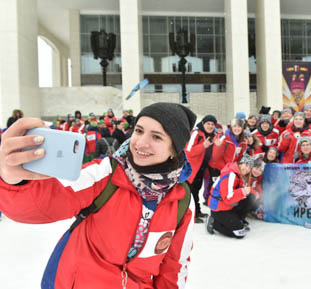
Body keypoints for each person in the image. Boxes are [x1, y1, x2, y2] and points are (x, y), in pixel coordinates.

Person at [0, 102, 197, 288]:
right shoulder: (105, 173)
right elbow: (45, 203)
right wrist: (14, 181)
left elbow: (174, 267)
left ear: (174, 150)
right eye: (138, 131)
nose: (140, 143)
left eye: (156, 137)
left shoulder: (182, 200)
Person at [206, 154, 259, 238]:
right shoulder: (231, 175)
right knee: (240, 233)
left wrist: (253, 193)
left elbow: (242, 188)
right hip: (219, 208)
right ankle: (214, 222)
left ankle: (237, 220)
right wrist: (243, 192)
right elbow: (228, 197)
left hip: (227, 206)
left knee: (250, 198)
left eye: (249, 168)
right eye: (246, 165)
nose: (246, 169)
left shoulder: (238, 174)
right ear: (241, 163)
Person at [185, 115, 222, 223]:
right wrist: (203, 146)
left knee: (196, 191)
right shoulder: (196, 133)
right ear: (203, 123)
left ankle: (197, 211)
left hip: (201, 169)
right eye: (208, 123)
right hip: (191, 170)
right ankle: (190, 215)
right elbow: (188, 151)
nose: (210, 126)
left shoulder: (213, 136)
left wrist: (218, 145)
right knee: (190, 192)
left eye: (212, 124)